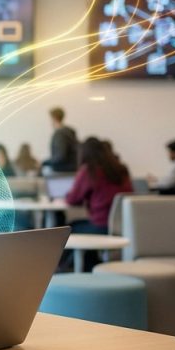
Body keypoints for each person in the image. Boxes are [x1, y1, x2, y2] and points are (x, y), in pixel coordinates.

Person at [63, 138, 133, 271]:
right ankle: (92, 267)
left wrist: (66, 195)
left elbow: (73, 199)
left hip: (101, 226)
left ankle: (66, 269)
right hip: (124, 226)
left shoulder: (90, 170)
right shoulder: (122, 169)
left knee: (68, 228)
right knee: (78, 225)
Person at [41, 107, 78, 174]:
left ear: (54, 118)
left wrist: (45, 162)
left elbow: (60, 156)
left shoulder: (59, 134)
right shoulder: (70, 131)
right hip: (73, 169)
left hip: (62, 171)